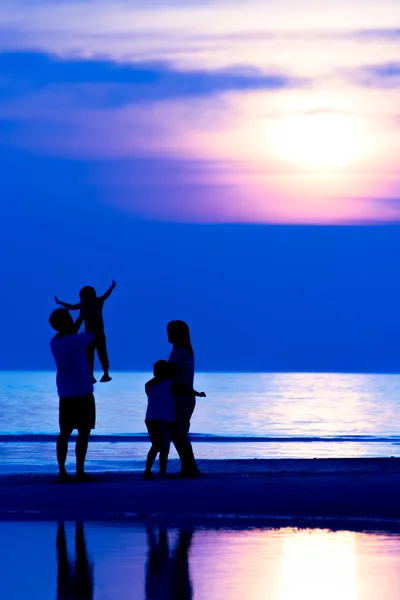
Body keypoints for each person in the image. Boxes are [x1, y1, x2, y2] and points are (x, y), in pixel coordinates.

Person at [49, 307, 96, 482]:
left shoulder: (55, 342)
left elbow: (71, 334)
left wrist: (80, 317)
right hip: (83, 392)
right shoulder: (78, 340)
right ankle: (80, 472)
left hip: (66, 394)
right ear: (65, 322)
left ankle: (62, 472)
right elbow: (93, 334)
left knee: (64, 433)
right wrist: (89, 315)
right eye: (69, 318)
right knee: (83, 434)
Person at [54, 280, 116, 383]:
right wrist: (111, 288)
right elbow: (104, 296)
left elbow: (73, 307)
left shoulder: (87, 304)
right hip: (96, 333)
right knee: (98, 354)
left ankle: (98, 374)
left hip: (92, 334)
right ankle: (101, 374)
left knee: (95, 354)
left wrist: (111, 289)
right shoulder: (95, 302)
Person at [167, 320, 205, 479]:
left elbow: (171, 376)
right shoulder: (184, 351)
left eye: (171, 331)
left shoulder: (180, 352)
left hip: (182, 398)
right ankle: (188, 467)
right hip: (184, 397)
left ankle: (190, 468)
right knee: (179, 434)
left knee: (178, 434)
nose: (168, 334)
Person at [143, 360, 175, 480]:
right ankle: (162, 472)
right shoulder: (171, 383)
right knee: (164, 447)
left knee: (156, 445)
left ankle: (148, 471)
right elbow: (184, 391)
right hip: (163, 418)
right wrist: (197, 394)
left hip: (150, 417)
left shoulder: (149, 384)